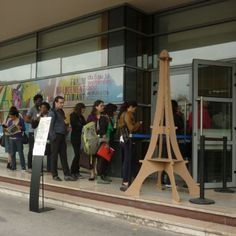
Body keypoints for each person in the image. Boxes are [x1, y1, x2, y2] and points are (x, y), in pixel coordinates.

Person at [48, 96, 75, 181]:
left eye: (63, 102)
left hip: (62, 135)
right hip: (56, 136)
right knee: (54, 156)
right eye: (60, 102)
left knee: (64, 156)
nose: (62, 104)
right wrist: (53, 137)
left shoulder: (61, 111)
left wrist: (67, 128)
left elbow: (63, 122)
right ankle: (54, 175)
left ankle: (67, 175)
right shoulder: (52, 112)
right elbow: (50, 126)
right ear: (55, 102)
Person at [118, 101, 142, 191]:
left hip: (123, 139)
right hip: (128, 139)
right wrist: (139, 123)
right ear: (130, 107)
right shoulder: (128, 114)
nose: (135, 110)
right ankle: (126, 181)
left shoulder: (122, 114)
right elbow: (131, 128)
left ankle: (127, 180)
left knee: (128, 160)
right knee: (128, 160)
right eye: (134, 108)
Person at [87, 100, 110, 184]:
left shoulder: (104, 117)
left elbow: (106, 129)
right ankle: (92, 173)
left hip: (102, 139)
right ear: (96, 106)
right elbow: (87, 128)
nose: (102, 107)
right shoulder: (91, 117)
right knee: (92, 157)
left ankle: (100, 175)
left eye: (103, 106)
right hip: (93, 140)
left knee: (102, 157)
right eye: (101, 106)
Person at [25, 94, 43, 171]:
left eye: (41, 101)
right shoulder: (32, 109)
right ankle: (29, 167)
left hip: (40, 132)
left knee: (39, 150)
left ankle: (37, 167)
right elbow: (26, 119)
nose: (40, 102)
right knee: (32, 149)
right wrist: (34, 121)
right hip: (32, 132)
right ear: (35, 101)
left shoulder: (41, 109)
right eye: (39, 101)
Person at [33, 102, 52, 172]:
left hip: (48, 137)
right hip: (39, 137)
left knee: (49, 154)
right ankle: (39, 169)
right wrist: (37, 118)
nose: (42, 109)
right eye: (41, 107)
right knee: (39, 154)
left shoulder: (50, 116)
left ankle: (49, 169)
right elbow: (33, 125)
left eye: (44, 107)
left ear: (47, 109)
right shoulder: (38, 116)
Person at [70, 102, 86, 179]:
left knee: (78, 155)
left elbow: (85, 124)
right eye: (83, 109)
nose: (83, 111)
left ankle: (77, 171)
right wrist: (82, 126)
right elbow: (75, 125)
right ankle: (73, 171)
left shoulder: (81, 117)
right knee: (77, 154)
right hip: (74, 137)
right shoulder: (73, 116)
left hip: (80, 137)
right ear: (79, 109)